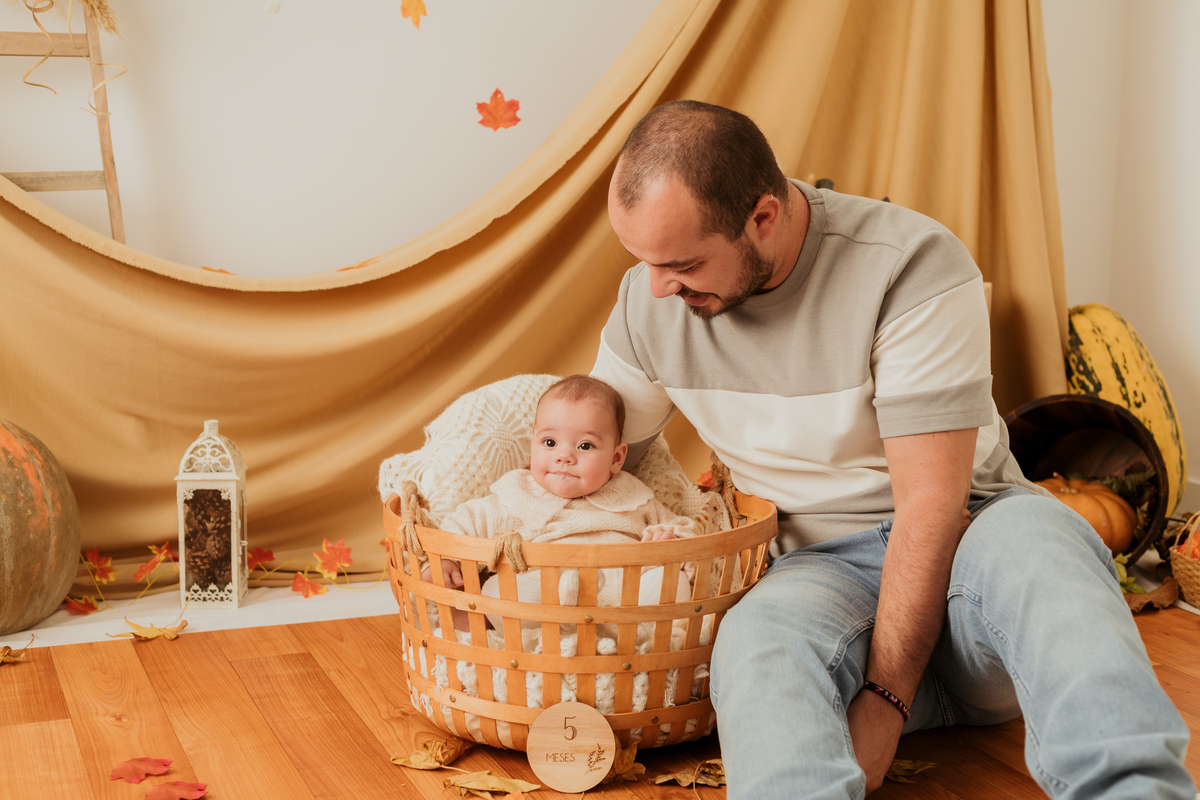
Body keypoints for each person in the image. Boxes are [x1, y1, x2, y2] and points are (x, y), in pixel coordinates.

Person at [590, 100, 1194, 799]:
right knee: (757, 640)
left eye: (682, 262)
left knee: (1047, 543)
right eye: (645, 262)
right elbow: (594, 462)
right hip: (817, 575)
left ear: (763, 218)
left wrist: (883, 702)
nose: (659, 287)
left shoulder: (910, 264)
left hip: (971, 546)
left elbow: (932, 506)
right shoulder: (653, 300)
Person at [422, 374, 698, 635]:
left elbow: (686, 528)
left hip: (624, 600)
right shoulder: (518, 492)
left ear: (616, 458)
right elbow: (465, 522)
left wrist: (667, 539)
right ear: (533, 446)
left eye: (586, 446)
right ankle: (509, 630)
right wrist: (445, 559)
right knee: (500, 590)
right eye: (550, 442)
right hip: (545, 599)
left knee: (671, 583)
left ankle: (632, 640)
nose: (564, 456)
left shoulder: (633, 494)